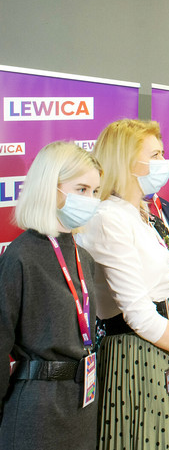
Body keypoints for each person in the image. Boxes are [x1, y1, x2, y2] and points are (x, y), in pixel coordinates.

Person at [78, 119, 169, 450]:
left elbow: (168, 289)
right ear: (126, 161)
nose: (163, 162)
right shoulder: (108, 217)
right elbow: (138, 313)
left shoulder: (141, 215)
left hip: (165, 350)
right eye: (155, 155)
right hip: (137, 357)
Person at [0, 142, 101, 449]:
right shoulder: (21, 256)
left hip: (82, 402)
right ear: (50, 188)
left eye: (95, 191)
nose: (90, 200)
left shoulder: (84, 258)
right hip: (37, 410)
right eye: (81, 189)